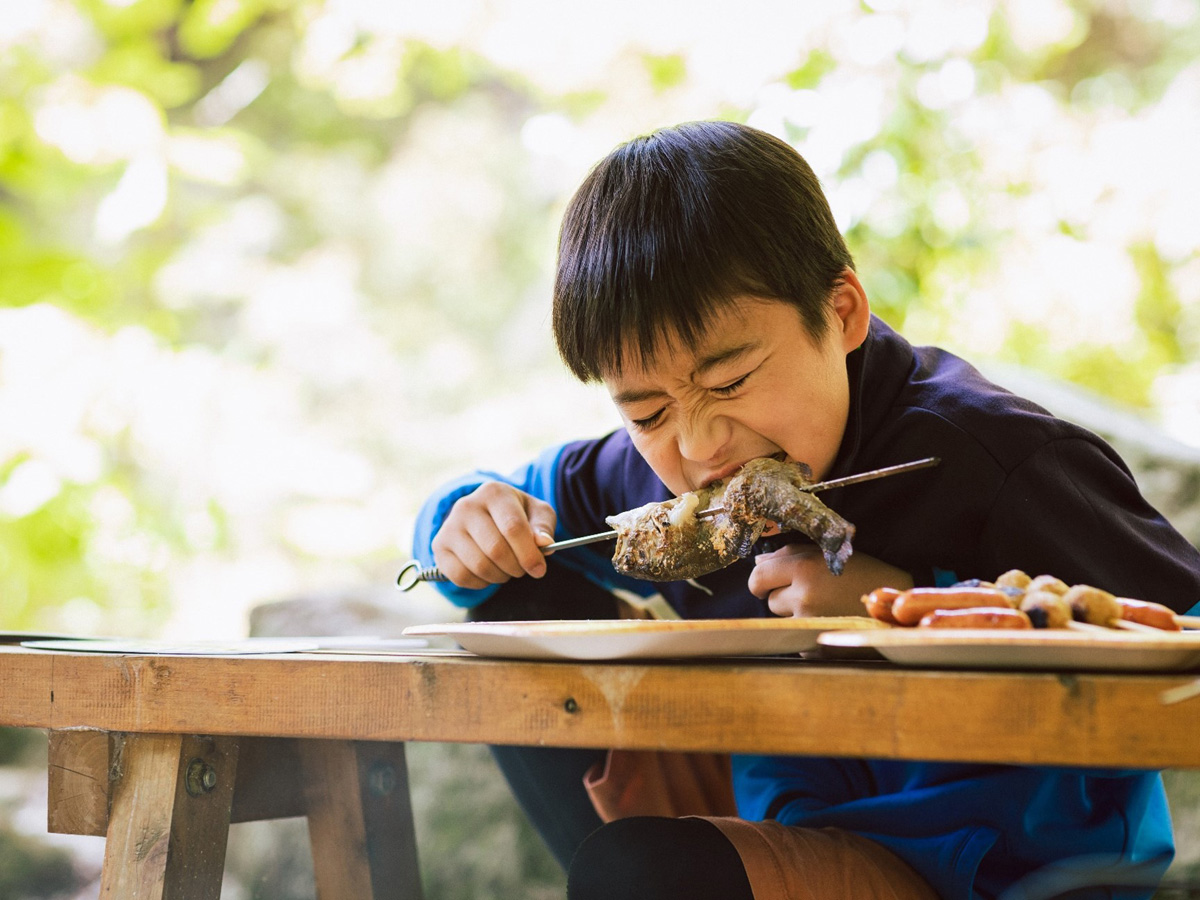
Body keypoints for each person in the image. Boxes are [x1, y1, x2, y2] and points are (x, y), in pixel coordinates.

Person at [411, 120, 1200, 899]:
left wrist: (896, 613)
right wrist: (466, 524)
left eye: (729, 382)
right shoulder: (664, 477)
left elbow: (1181, 635)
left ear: (843, 313)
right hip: (788, 828)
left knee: (641, 876)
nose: (699, 443)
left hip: (993, 867)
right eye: (648, 412)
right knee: (520, 598)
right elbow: (496, 510)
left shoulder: (992, 457)